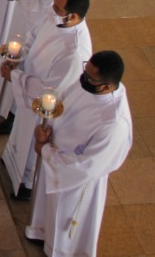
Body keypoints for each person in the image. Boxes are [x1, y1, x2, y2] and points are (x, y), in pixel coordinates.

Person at [26, 51, 133, 257]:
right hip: (55, 157)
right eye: (85, 72)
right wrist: (46, 128)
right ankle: (42, 234)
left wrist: (46, 150)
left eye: (90, 78)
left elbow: (87, 167)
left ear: (108, 87)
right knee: (48, 210)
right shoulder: (90, 85)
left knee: (65, 223)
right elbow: (63, 102)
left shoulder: (113, 123)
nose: (83, 79)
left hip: (76, 180)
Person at [0, 0, 92, 200]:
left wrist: (16, 78)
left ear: (74, 16)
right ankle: (13, 164)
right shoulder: (57, 18)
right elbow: (34, 35)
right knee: (20, 135)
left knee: (31, 144)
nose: (52, 10)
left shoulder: (75, 51)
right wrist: (19, 56)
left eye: (58, 8)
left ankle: (26, 182)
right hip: (29, 80)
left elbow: (51, 91)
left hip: (42, 108)